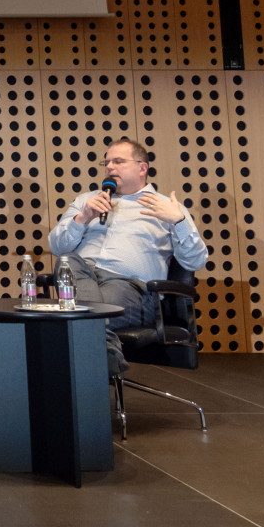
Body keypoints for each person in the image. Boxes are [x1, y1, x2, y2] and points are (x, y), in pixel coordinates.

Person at [45, 138, 208, 377]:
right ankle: (106, 348)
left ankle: (97, 354)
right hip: (82, 277)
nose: (110, 167)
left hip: (130, 288)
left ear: (142, 168)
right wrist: (83, 218)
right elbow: (56, 247)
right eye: (107, 162)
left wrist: (179, 222)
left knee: (76, 318)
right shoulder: (86, 201)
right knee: (68, 261)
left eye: (118, 161)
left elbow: (196, 261)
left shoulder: (168, 207)